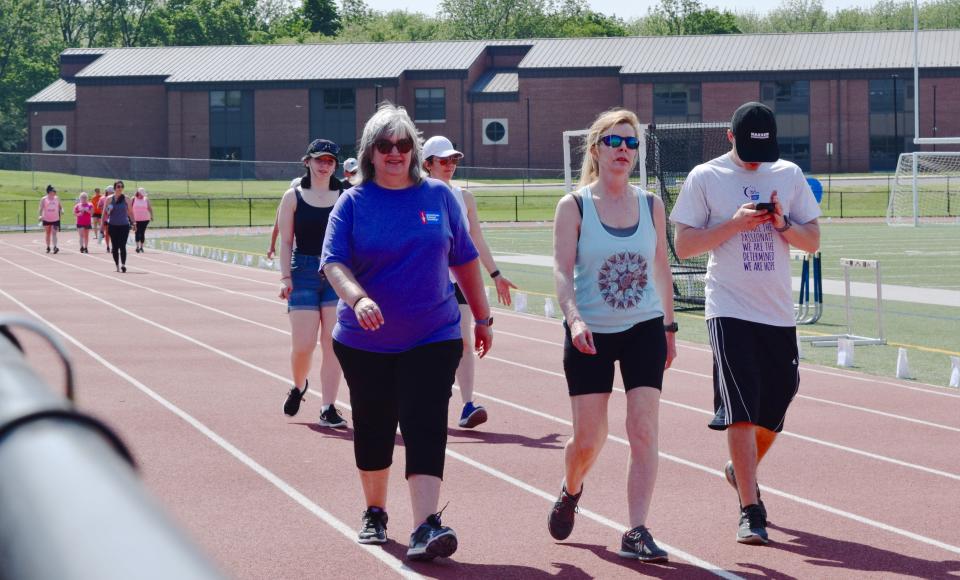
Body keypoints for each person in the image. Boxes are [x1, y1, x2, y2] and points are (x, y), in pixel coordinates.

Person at [320, 104, 491, 561]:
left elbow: (465, 260)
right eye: (385, 145)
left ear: (414, 150)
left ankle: (424, 525)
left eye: (403, 144)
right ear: (370, 152)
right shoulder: (352, 203)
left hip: (433, 334)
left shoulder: (438, 196)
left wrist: (483, 316)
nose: (395, 153)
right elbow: (333, 263)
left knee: (426, 422)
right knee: (374, 426)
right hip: (365, 340)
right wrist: (358, 298)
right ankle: (375, 511)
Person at [670, 101, 821, 545]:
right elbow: (685, 245)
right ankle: (750, 510)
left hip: (776, 310)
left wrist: (782, 223)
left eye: (765, 151)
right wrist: (733, 225)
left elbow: (812, 241)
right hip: (729, 308)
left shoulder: (788, 174)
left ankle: (742, 470)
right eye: (749, 150)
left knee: (779, 398)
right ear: (730, 137)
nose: (758, 161)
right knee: (740, 406)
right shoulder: (705, 177)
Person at [549, 108, 676, 562]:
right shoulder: (575, 205)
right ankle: (570, 488)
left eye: (631, 143)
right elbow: (563, 272)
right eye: (615, 142)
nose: (624, 150)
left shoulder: (652, 205)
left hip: (644, 327)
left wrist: (670, 325)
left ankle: (636, 528)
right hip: (591, 332)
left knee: (643, 429)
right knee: (589, 439)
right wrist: (574, 318)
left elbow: (661, 266)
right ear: (596, 149)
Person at [422, 135, 517, 429]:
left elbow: (476, 239)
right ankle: (423, 401)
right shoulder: (418, 195)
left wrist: (496, 274)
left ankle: (467, 404)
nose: (450, 165)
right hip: (428, 281)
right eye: (443, 160)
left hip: (461, 279)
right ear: (427, 164)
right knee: (428, 344)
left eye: (453, 160)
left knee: (463, 341)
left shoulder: (465, 198)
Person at [279, 138, 347, 429]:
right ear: (307, 161)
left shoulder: (347, 194)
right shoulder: (292, 197)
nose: (324, 165)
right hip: (303, 271)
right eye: (319, 160)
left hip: (337, 272)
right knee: (303, 345)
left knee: (332, 344)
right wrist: (284, 277)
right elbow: (285, 241)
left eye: (330, 161)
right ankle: (298, 386)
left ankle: (328, 406)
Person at [103, 180, 135, 272]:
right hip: (113, 225)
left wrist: (134, 222)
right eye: (118, 186)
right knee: (115, 247)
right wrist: (108, 212)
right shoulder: (109, 199)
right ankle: (117, 265)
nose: (120, 188)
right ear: (114, 188)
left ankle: (123, 264)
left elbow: (130, 212)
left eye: (121, 186)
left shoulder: (126, 199)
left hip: (124, 225)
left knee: (122, 245)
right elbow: (105, 213)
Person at [38, 185, 62, 254]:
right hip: (46, 218)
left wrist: (62, 210)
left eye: (54, 191)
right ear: (49, 191)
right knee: (48, 233)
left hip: (55, 219)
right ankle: (48, 247)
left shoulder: (57, 198)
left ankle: (55, 247)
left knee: (54, 233)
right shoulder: (44, 199)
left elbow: (60, 207)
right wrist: (40, 215)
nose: (54, 192)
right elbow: (40, 208)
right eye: (53, 190)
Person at [132, 187, 153, 253]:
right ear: (138, 193)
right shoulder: (133, 199)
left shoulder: (146, 199)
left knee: (142, 232)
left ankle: (141, 247)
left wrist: (152, 215)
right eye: (141, 194)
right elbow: (129, 208)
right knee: (137, 232)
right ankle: (137, 246)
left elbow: (149, 208)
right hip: (136, 219)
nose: (142, 195)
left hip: (145, 219)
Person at [100, 186, 114, 253]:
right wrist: (105, 208)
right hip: (106, 218)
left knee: (113, 233)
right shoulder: (102, 198)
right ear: (107, 191)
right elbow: (99, 206)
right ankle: (108, 246)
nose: (112, 192)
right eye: (110, 191)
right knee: (107, 233)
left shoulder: (115, 198)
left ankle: (113, 246)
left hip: (114, 218)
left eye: (112, 191)